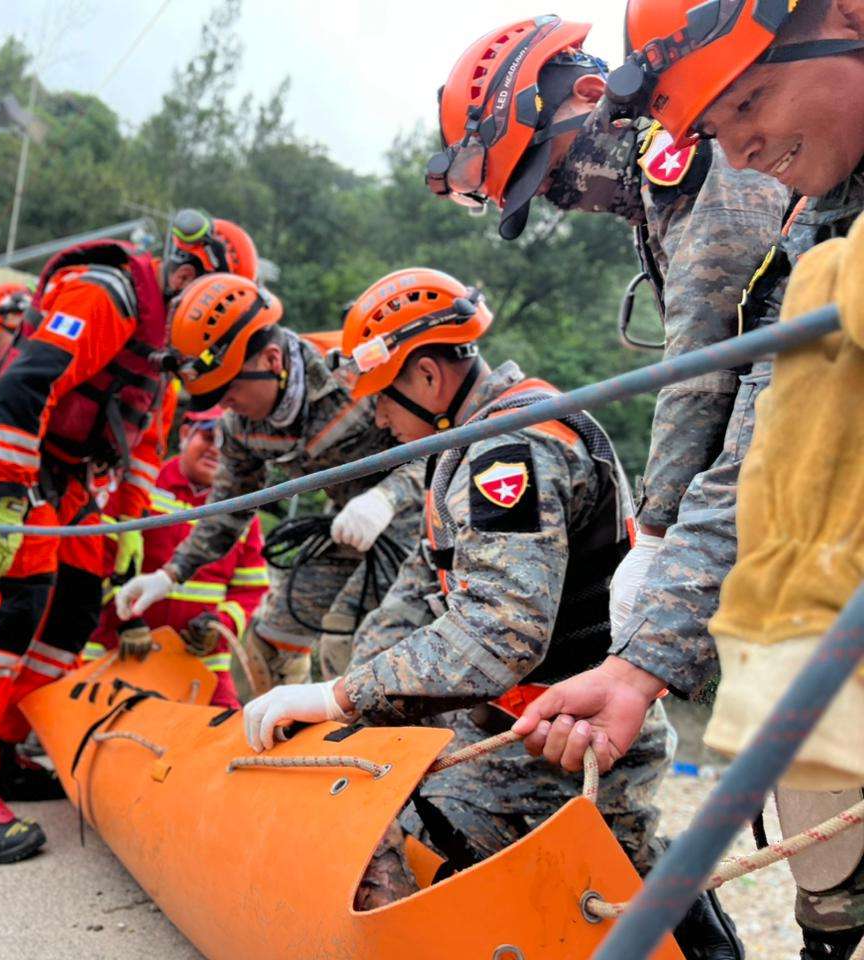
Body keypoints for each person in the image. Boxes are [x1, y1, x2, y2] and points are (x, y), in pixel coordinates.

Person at [238, 268, 741, 955]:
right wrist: (347, 711)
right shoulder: (470, 444)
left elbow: (499, 635)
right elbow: (416, 594)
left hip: (559, 745)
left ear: (425, 378)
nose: (378, 421)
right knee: (397, 818)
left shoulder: (512, 451)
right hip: (515, 724)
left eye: (381, 401)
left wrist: (341, 696)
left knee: (495, 863)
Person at [510, 1, 864, 955]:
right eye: (713, 127)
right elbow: (765, 444)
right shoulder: (822, 230)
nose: (741, 146)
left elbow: (704, 371)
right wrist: (643, 663)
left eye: (750, 98)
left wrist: (657, 535)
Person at [428, 14, 787, 658]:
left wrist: (653, 531)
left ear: (593, 97)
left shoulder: (689, 151)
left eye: (556, 168)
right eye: (544, 192)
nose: (568, 197)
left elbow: (707, 349)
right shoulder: (650, 204)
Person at [0, 213, 259, 865]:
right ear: (188, 278)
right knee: (14, 612)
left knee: (78, 607)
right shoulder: (106, 295)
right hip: (14, 467)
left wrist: (125, 527)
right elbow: (25, 389)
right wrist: (2, 494)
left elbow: (139, 442)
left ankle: (5, 745)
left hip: (77, 485)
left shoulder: (168, 349)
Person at [117, 272, 425, 687]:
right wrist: (169, 575)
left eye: (228, 389)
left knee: (349, 644)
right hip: (344, 525)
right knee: (269, 647)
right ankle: (290, 742)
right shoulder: (241, 427)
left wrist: (386, 498)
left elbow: (442, 446)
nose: (224, 404)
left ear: (272, 361)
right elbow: (229, 509)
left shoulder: (357, 372)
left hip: (418, 519)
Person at [85, 405, 269, 710]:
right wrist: (125, 621)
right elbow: (96, 562)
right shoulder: (141, 488)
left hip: (198, 663)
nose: (216, 450)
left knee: (226, 742)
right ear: (185, 434)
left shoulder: (242, 511)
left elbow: (252, 589)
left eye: (227, 443)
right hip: (120, 650)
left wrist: (219, 624)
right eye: (209, 437)